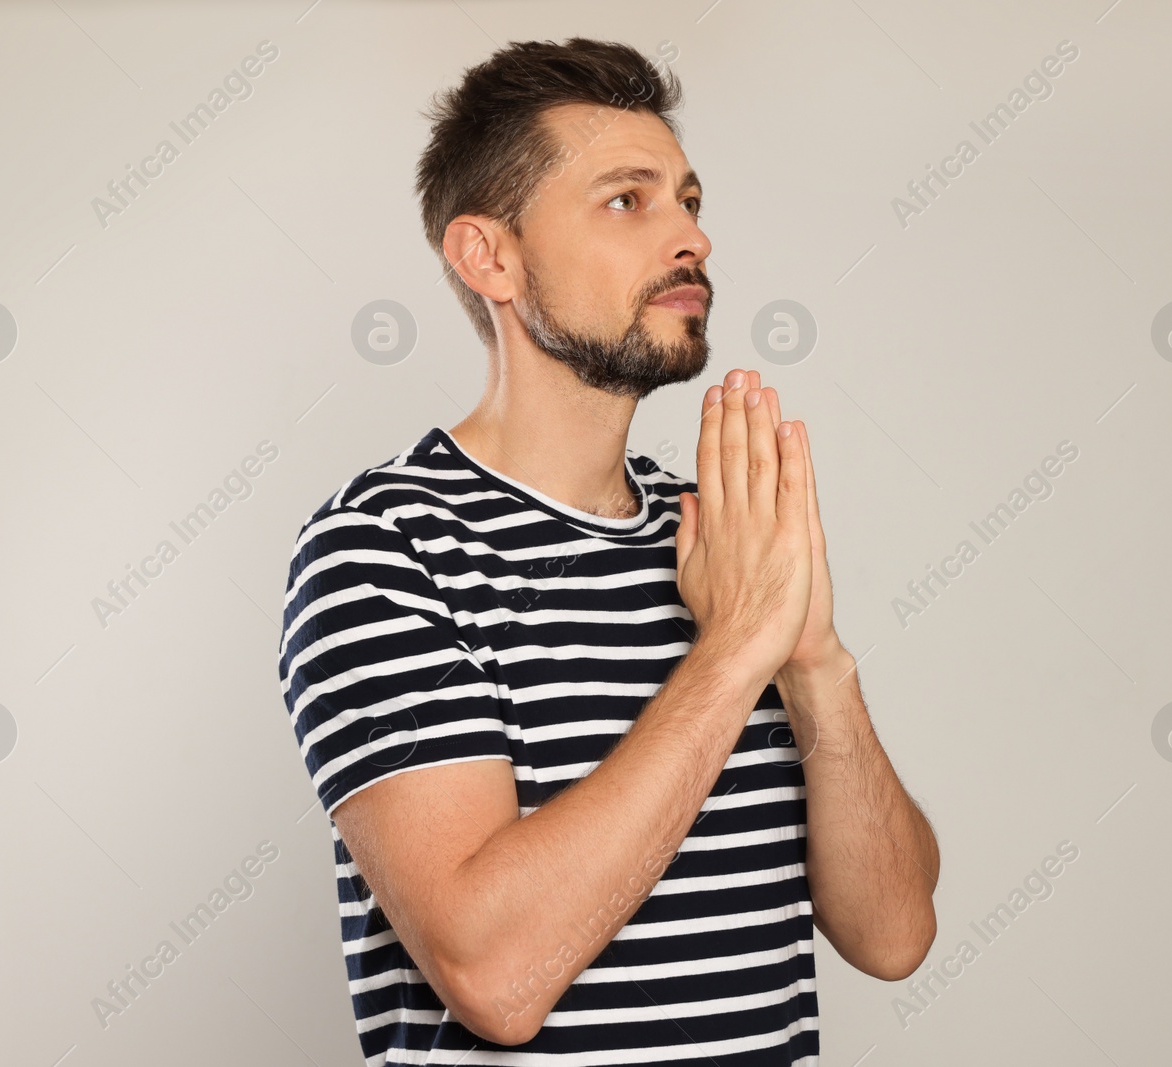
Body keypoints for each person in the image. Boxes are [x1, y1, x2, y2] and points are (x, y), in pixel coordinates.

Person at [278, 37, 939, 1064]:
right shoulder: (382, 548)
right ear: (487, 256)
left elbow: (893, 935)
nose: (692, 237)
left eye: (688, 198)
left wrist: (813, 661)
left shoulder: (723, 536)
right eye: (627, 201)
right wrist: (730, 654)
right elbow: (497, 979)